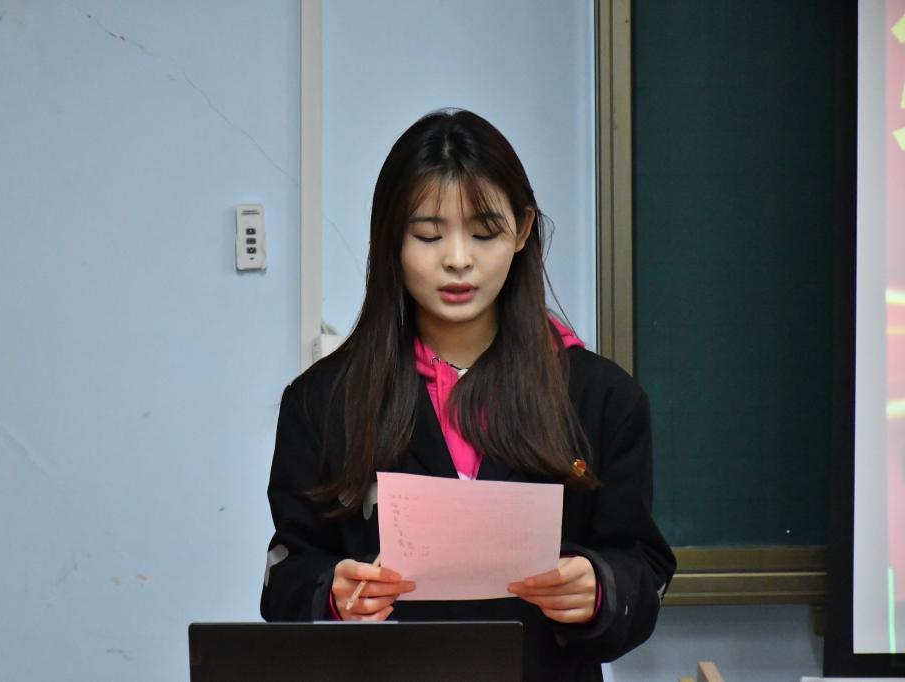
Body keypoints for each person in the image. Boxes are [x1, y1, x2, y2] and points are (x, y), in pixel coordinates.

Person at [260, 109, 675, 682]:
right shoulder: (322, 402)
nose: (457, 259)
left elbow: (643, 564)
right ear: (390, 238)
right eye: (428, 235)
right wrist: (330, 594)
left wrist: (600, 588)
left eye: (484, 233)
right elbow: (284, 577)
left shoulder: (601, 398)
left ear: (523, 230)